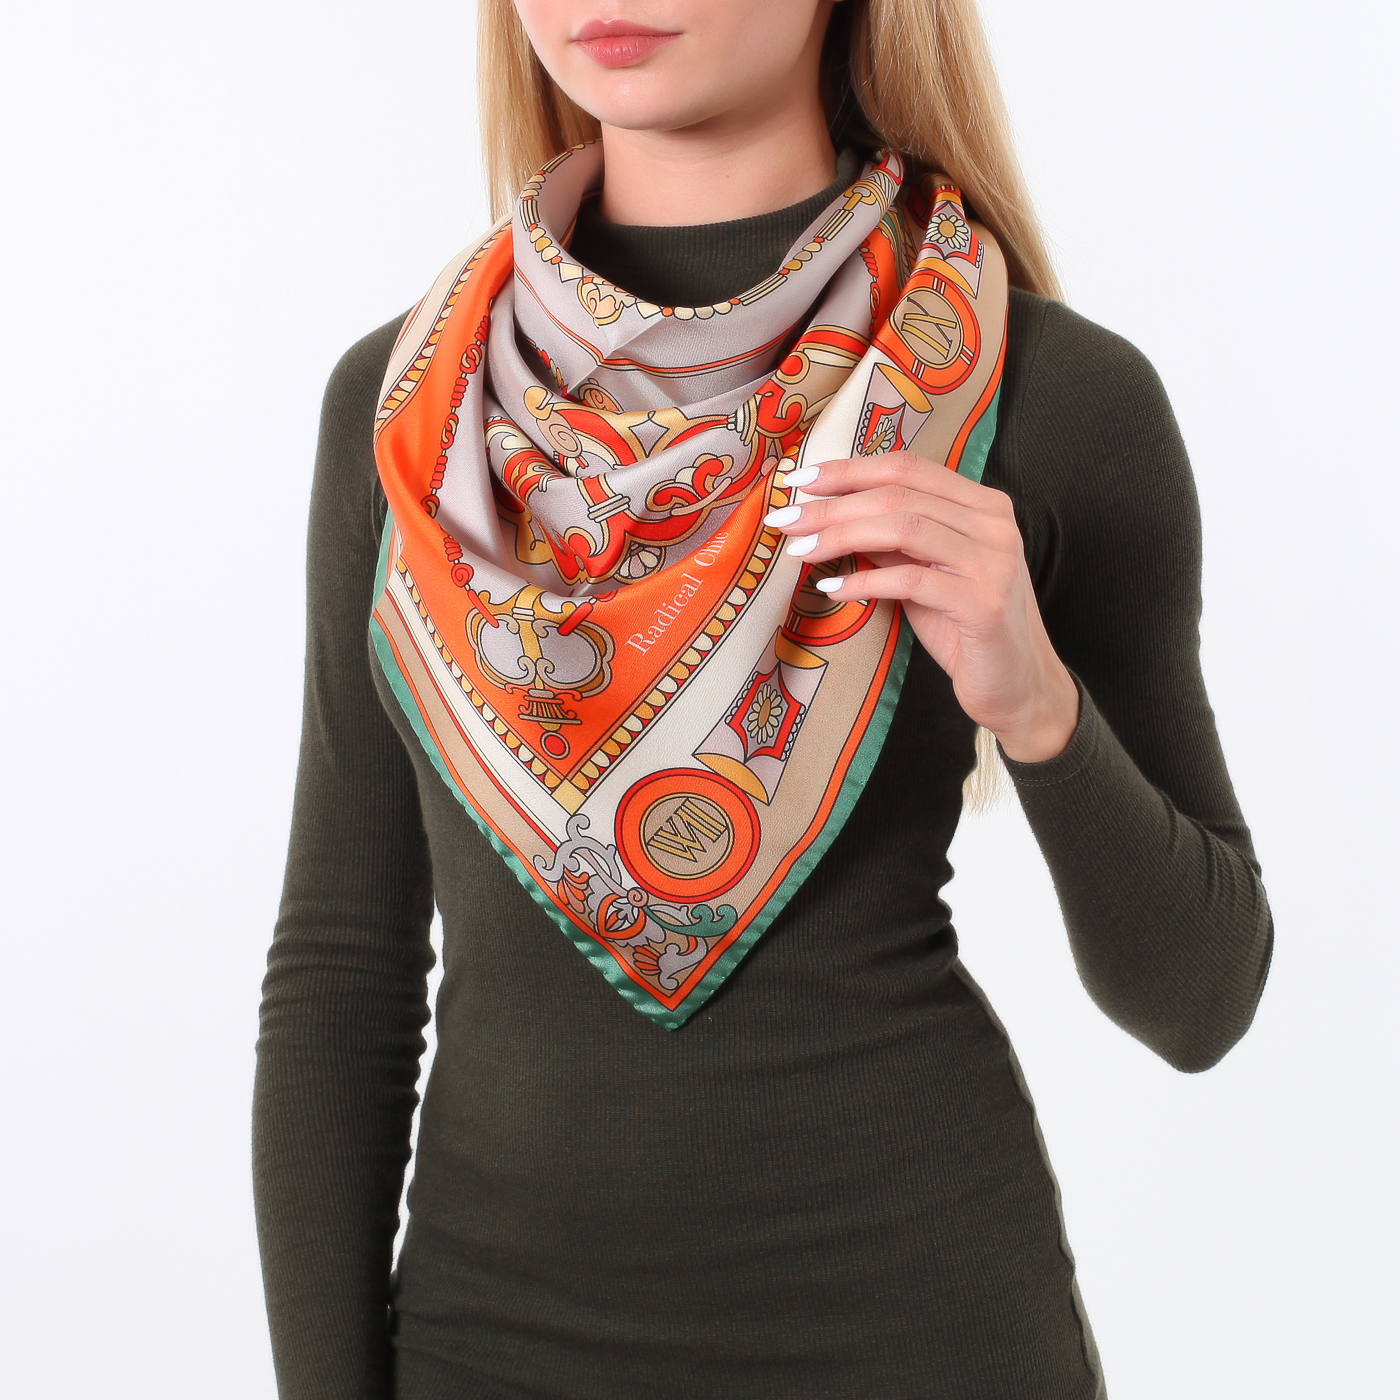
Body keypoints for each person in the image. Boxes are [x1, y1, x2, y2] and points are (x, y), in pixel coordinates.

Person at [252, 1, 1274, 1396]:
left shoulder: (1049, 396)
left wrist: (1040, 708)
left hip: (918, 1339)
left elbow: (1201, 1001)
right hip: (487, 1352)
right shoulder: (413, 415)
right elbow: (342, 974)